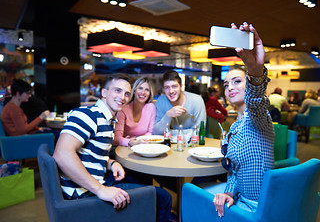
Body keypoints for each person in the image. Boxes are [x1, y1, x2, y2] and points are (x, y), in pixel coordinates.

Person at [53, 74, 171, 222]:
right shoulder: (88, 115)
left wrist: (111, 163)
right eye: (117, 91)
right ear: (104, 93)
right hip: (83, 195)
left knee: (135, 177)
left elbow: (89, 151)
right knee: (163, 197)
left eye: (127, 93)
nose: (123, 97)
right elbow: (61, 154)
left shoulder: (107, 119)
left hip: (93, 184)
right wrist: (101, 190)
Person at [212, 22, 275, 216]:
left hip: (259, 208)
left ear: (247, 84)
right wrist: (229, 191)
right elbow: (235, 170)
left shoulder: (258, 118)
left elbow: (257, 101)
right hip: (240, 200)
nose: (230, 87)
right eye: (226, 84)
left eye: (237, 81)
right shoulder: (236, 126)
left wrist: (255, 72)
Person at [153, 70, 206, 138]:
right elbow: (156, 133)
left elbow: (199, 132)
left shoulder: (197, 101)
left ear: (181, 86)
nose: (171, 91)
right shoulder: (160, 102)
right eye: (167, 87)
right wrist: (168, 115)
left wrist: (171, 133)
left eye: (174, 86)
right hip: (167, 146)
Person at [114, 77, 156, 147]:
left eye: (147, 90)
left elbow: (150, 132)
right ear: (134, 91)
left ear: (150, 93)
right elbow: (116, 138)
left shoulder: (151, 107)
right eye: (140, 88)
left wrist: (139, 140)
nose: (143, 92)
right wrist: (130, 142)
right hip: (126, 147)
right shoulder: (123, 109)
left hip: (144, 145)